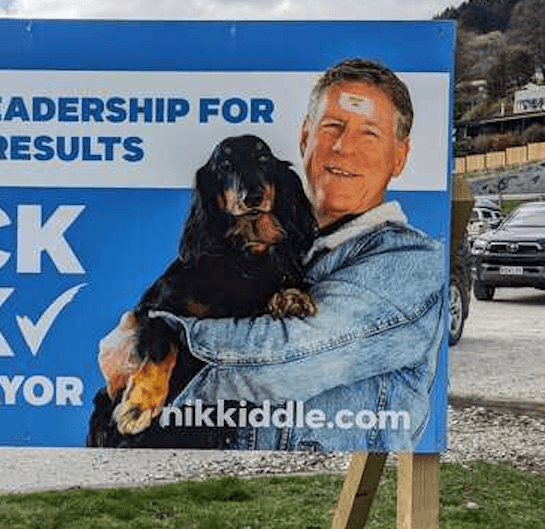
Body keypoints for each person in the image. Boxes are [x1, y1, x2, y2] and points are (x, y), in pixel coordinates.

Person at [99, 58, 446, 452]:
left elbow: (284, 361)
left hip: (306, 487)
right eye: (332, 127)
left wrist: (156, 345)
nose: (344, 148)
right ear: (305, 137)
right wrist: (147, 339)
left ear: (399, 156)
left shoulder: (409, 260)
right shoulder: (274, 247)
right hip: (189, 464)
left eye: (370, 134)